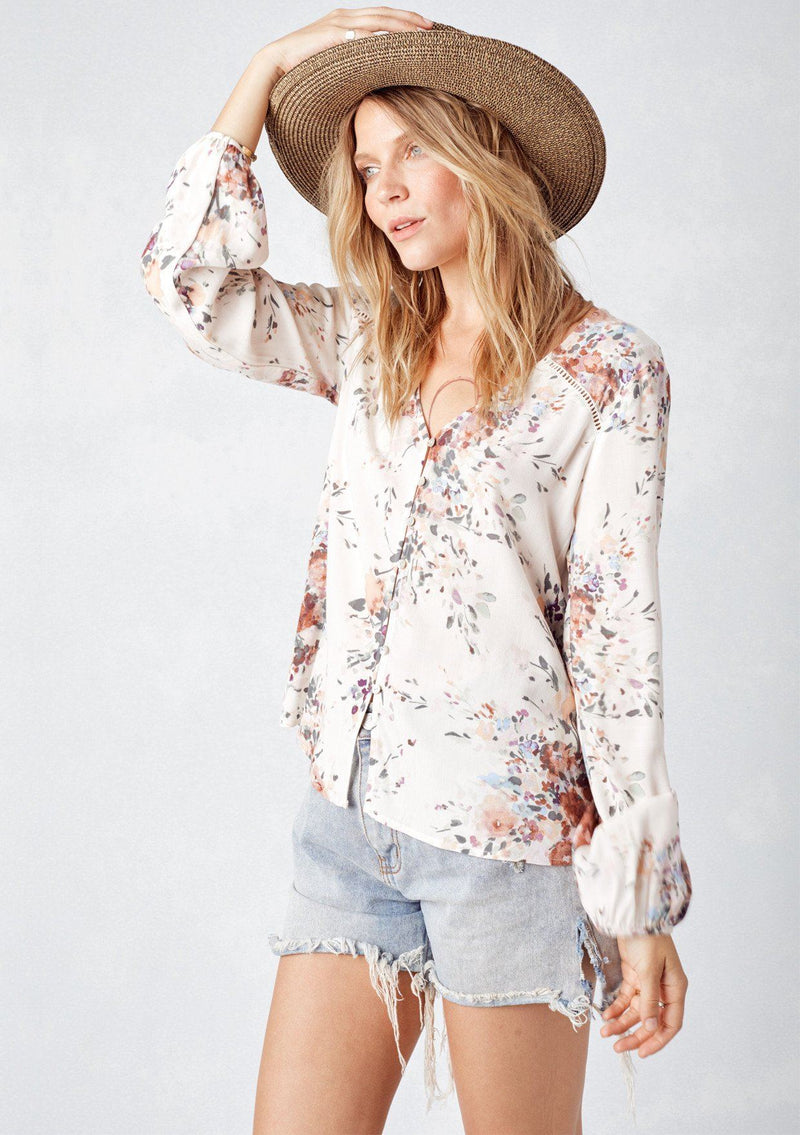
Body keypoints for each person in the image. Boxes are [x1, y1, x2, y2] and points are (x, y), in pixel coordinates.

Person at [140, 11, 693, 1134]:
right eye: (363, 166)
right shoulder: (367, 339)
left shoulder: (607, 373)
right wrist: (265, 69)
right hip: (350, 829)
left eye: (412, 152)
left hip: (511, 847)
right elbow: (194, 286)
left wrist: (638, 904)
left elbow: (615, 646)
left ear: (489, 155)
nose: (383, 190)